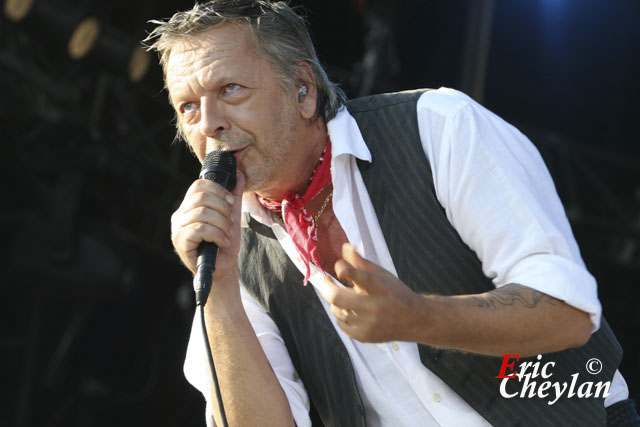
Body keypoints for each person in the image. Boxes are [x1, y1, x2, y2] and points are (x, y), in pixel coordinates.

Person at [145, 1, 639, 426]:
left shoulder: (436, 127)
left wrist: (419, 317)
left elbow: (569, 313)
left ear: (303, 89)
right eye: (188, 106)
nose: (209, 124)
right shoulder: (230, 254)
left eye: (230, 89)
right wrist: (222, 291)